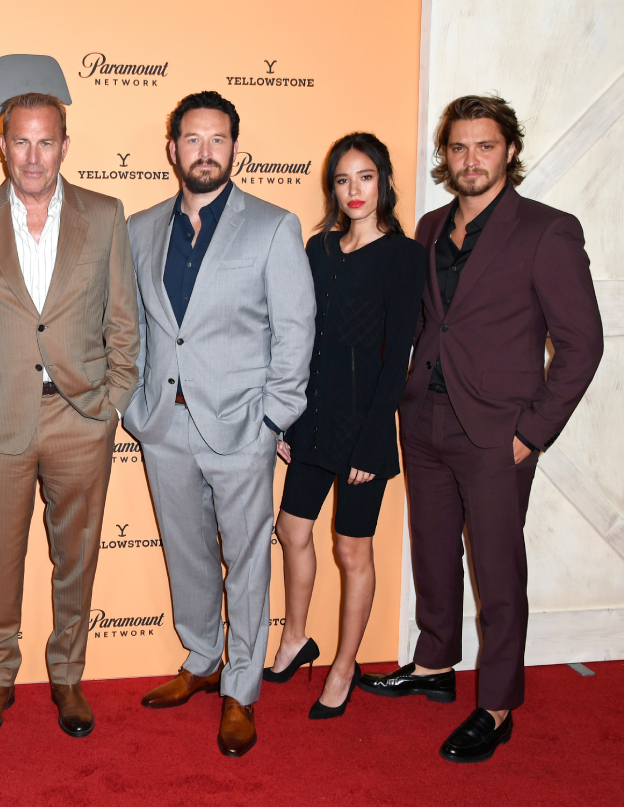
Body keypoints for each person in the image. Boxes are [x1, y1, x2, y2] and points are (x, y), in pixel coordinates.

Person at [358, 96, 603, 762]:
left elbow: (582, 344)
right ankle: (435, 666)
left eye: (484, 147)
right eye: (459, 148)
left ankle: (495, 707)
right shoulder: (431, 226)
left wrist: (532, 432)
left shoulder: (548, 231)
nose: (470, 160)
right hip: (426, 418)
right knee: (433, 552)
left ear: (510, 151)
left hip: (499, 431)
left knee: (498, 573)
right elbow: (419, 322)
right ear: (447, 155)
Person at [0, 93, 140, 739]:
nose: (32, 155)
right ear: (2, 145)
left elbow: (123, 320)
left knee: (75, 557)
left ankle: (67, 674)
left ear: (63, 144)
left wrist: (112, 403)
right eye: (20, 142)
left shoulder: (104, 215)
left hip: (81, 416)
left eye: (45, 142)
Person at [124, 91, 315, 757]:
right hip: (163, 426)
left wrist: (273, 417)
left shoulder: (272, 225)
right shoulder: (139, 228)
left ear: (235, 147)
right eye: (192, 139)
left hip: (242, 427)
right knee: (188, 554)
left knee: (246, 563)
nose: (205, 151)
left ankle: (241, 687)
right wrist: (133, 405)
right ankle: (203, 657)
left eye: (218, 139)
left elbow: (296, 330)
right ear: (172, 148)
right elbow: (135, 329)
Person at [263, 133, 426, 719]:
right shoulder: (318, 249)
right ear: (331, 187)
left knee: (351, 547)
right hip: (310, 418)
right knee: (291, 529)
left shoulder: (405, 257)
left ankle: (344, 664)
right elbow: (299, 338)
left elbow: (398, 354)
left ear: (383, 182)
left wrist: (373, 439)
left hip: (365, 427)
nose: (354, 191)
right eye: (342, 179)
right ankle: (295, 637)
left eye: (365, 177)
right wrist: (286, 416)